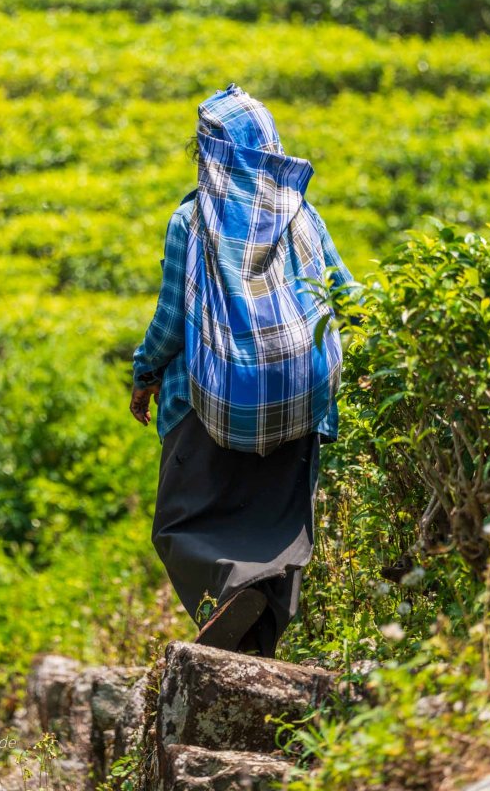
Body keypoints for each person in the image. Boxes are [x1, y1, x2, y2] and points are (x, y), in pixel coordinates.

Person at [130, 84, 353, 659]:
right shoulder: (302, 214)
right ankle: (259, 645)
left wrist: (145, 371)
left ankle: (231, 599)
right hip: (299, 402)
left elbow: (173, 319)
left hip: (207, 402)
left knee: (182, 521)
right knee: (279, 525)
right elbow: (346, 293)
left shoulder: (192, 219)